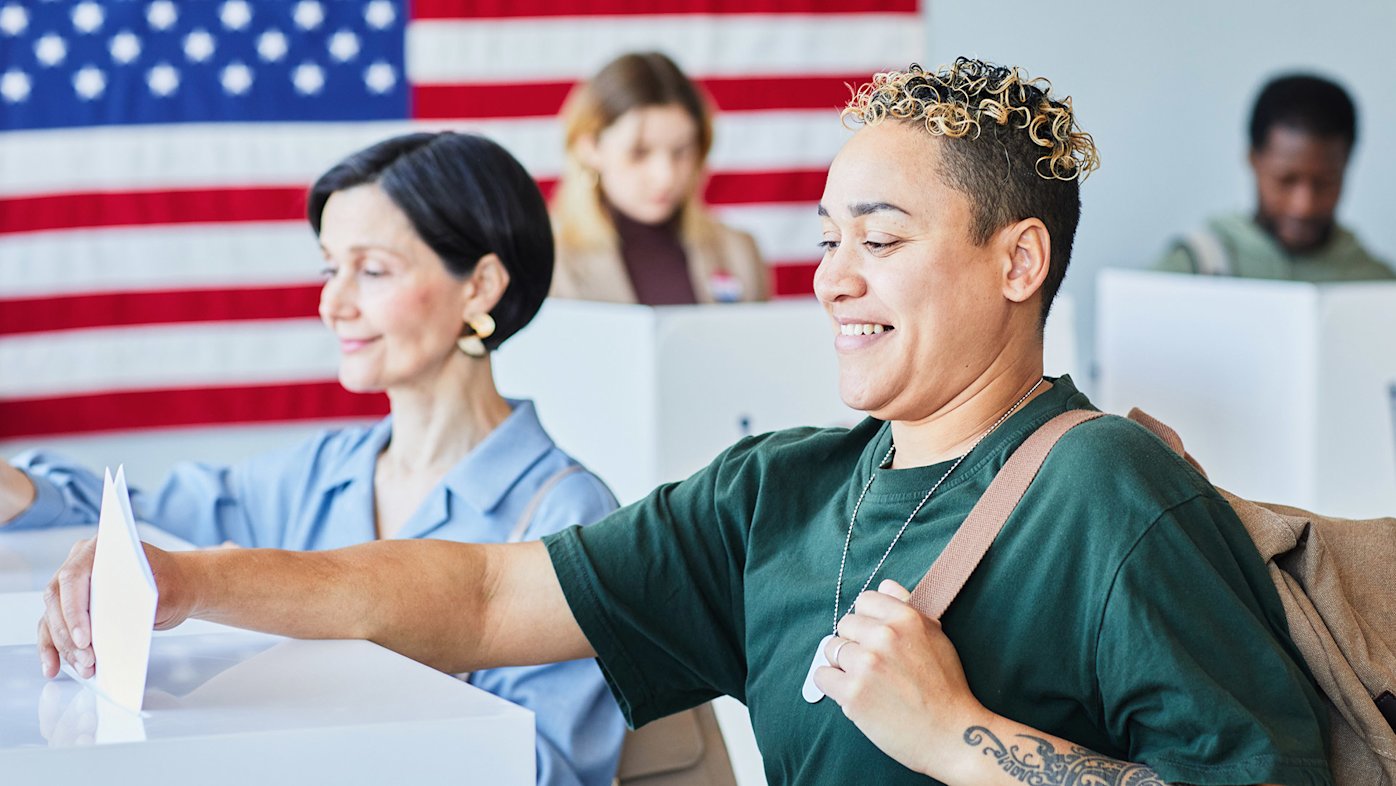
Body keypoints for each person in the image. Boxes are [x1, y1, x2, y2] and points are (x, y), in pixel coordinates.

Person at [38, 61, 1332, 786]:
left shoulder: (1109, 486)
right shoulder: (776, 489)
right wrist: (196, 579)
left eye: (879, 239)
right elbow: (485, 596)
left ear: (1017, 259)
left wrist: (959, 736)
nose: (830, 275)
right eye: (827, 239)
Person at [3, 132, 626, 786]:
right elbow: (142, 526)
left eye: (373, 270)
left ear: (480, 286)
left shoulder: (570, 513)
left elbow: (552, 772)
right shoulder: (320, 473)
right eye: (331, 268)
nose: (333, 304)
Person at [548, 51, 769, 305]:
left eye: (680, 151)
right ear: (590, 147)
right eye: (639, 153)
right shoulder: (551, 263)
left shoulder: (739, 252)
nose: (665, 176)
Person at [1155, 73, 1394, 280]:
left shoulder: (1379, 285)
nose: (1304, 207)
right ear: (1253, 160)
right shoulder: (1192, 268)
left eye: (1325, 182)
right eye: (1286, 180)